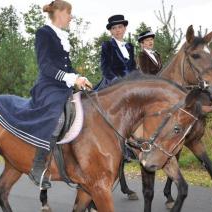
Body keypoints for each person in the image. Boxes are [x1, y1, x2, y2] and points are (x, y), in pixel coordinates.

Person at [26, 0, 92, 189]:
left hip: (64, 86)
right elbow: (45, 66)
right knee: (58, 117)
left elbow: (67, 67)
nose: (71, 17)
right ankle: (38, 166)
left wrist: (80, 78)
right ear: (60, 13)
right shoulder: (44, 33)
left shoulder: (62, 36)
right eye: (69, 13)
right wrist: (71, 79)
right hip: (47, 86)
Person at [95, 14, 136, 90]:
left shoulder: (130, 46)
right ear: (111, 31)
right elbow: (105, 69)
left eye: (120, 27)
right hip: (112, 85)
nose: (117, 30)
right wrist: (116, 81)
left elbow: (133, 68)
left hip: (130, 84)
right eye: (114, 28)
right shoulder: (107, 45)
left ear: (124, 28)